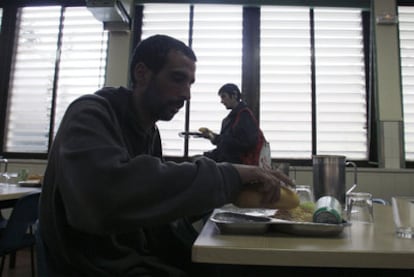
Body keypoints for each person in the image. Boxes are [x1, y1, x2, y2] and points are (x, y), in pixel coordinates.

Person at [38, 34, 294, 276]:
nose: (186, 94)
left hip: (138, 258)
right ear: (142, 73)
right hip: (98, 268)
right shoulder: (90, 114)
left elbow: (151, 199)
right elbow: (107, 198)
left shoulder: (150, 132)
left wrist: (232, 187)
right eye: (177, 79)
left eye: (190, 83)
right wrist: (229, 175)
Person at [200, 83, 261, 164]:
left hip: (237, 164)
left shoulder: (244, 115)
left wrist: (218, 139)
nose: (221, 101)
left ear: (234, 95)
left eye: (223, 96)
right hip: (227, 161)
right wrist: (212, 136)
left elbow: (247, 143)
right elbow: (227, 141)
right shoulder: (230, 118)